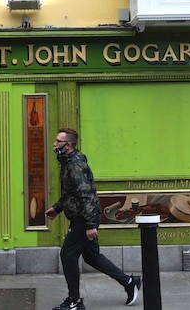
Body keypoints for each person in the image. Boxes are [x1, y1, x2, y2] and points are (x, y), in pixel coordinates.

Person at [45, 128, 141, 310]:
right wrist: (57, 208)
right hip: (83, 216)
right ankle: (129, 282)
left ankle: (74, 301)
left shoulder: (75, 166)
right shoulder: (68, 163)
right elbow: (71, 194)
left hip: (84, 218)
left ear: (68, 145)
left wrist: (90, 225)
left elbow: (86, 195)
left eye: (58, 141)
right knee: (92, 257)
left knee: (67, 254)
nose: (54, 145)